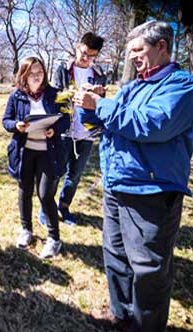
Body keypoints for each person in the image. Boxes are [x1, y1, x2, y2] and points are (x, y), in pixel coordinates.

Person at [73, 21, 193, 332]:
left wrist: (103, 105)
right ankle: (122, 316)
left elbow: (151, 125)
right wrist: (89, 106)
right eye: (130, 52)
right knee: (115, 257)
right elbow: (105, 126)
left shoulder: (181, 86)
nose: (132, 58)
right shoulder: (132, 87)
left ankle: (145, 326)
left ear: (162, 47)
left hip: (150, 192)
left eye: (138, 51)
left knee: (148, 271)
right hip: (116, 185)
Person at [2, 56, 70, 258]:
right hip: (25, 151)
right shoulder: (16, 96)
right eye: (31, 72)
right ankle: (26, 230)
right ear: (23, 75)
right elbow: (6, 120)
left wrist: (54, 130)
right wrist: (16, 125)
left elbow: (66, 119)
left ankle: (54, 239)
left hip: (49, 153)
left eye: (39, 71)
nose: (36, 76)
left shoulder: (56, 94)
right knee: (25, 190)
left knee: (45, 194)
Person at [40, 32, 106, 226]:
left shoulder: (99, 74)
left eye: (91, 55)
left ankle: (64, 207)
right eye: (84, 53)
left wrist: (98, 92)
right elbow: (53, 97)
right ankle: (46, 209)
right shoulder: (63, 69)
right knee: (56, 172)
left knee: (75, 175)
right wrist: (66, 94)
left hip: (86, 132)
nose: (86, 58)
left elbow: (101, 100)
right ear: (78, 46)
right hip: (64, 130)